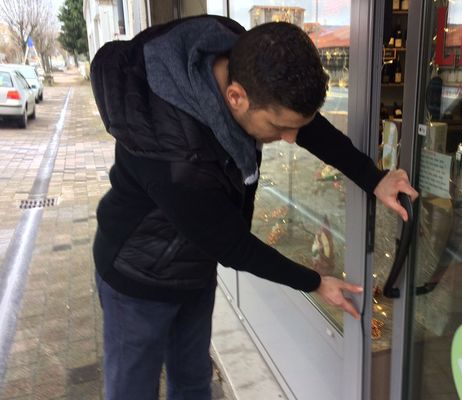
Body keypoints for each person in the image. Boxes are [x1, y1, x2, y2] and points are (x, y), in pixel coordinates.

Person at [90, 14, 417, 400]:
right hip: (138, 278)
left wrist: (373, 177)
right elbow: (232, 245)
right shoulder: (176, 158)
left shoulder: (241, 57)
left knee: (193, 381)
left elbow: (303, 122)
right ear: (236, 98)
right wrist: (314, 282)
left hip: (193, 267)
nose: (291, 139)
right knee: (132, 391)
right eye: (280, 128)